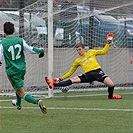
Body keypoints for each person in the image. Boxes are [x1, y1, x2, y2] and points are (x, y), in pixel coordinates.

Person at [45, 33, 122, 99]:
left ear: (84, 48)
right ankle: (53, 84)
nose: (78, 51)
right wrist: (61, 78)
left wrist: (108, 42)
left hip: (97, 72)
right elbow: (70, 72)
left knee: (111, 85)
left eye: (79, 49)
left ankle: (110, 96)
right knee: (73, 79)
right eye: (77, 50)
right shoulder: (78, 60)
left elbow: (104, 51)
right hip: (88, 75)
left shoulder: (91, 52)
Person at [0, 22, 47, 114]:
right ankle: (18, 103)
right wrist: (41, 50)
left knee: (21, 92)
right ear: (14, 30)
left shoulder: (2, 43)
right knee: (17, 86)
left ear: (4, 32)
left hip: (12, 71)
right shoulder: (20, 40)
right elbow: (30, 49)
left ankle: (37, 102)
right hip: (22, 69)